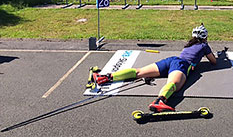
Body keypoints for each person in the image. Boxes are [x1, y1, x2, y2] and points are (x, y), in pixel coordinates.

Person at [87, 24, 217, 112]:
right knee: (174, 85)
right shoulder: (204, 46)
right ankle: (160, 101)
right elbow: (213, 61)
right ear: (205, 37)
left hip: (171, 60)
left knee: (139, 72)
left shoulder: (189, 44)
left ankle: (105, 77)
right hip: (181, 65)